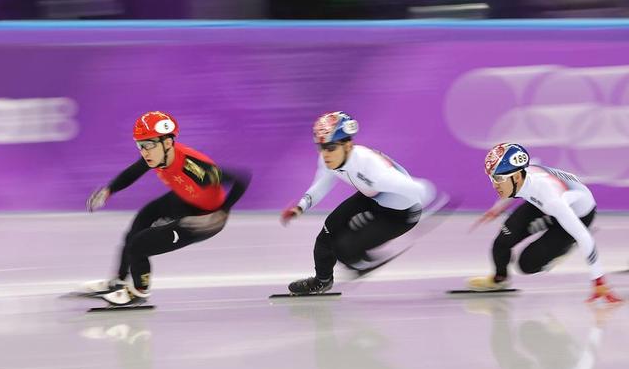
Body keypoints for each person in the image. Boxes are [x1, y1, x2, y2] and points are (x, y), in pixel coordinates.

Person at [84, 111, 250, 306]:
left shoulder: (194, 167)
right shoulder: (157, 155)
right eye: (140, 145)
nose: (144, 152)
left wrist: (223, 211)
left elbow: (241, 179)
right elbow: (133, 172)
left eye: (148, 145)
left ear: (168, 143)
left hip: (204, 219)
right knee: (139, 223)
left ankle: (139, 292)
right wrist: (109, 190)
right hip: (183, 200)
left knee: (139, 245)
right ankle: (118, 282)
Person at [281, 111, 437, 295]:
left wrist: (435, 206)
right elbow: (320, 185)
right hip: (372, 197)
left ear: (348, 145)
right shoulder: (329, 159)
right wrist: (300, 207)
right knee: (327, 233)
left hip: (400, 214)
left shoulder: (370, 167)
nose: (325, 154)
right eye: (321, 147)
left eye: (330, 147)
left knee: (344, 248)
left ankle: (361, 260)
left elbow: (420, 189)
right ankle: (322, 280)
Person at [469, 142, 621, 303]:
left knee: (526, 265)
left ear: (517, 176)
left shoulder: (551, 199)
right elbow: (527, 170)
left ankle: (565, 247)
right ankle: (499, 279)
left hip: (577, 214)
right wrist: (497, 209)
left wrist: (598, 280)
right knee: (502, 242)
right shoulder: (521, 175)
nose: (494, 185)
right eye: (492, 178)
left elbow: (583, 235)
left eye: (499, 179)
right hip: (544, 202)